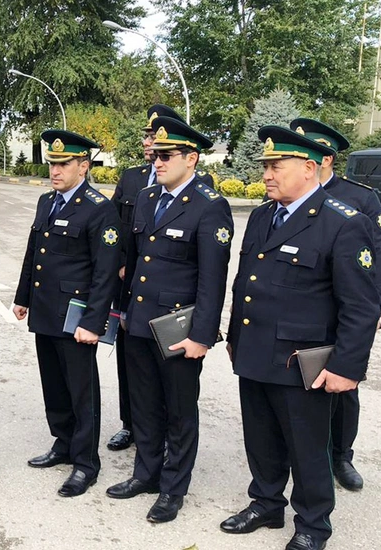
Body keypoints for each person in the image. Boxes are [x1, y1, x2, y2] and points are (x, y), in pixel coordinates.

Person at [221, 126, 380, 550]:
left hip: (301, 358)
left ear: (309, 168)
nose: (267, 174)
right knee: (260, 436)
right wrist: (236, 335)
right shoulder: (261, 215)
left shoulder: (344, 222)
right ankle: (266, 503)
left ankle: (312, 524)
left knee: (308, 447)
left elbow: (362, 305)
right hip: (255, 350)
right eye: (266, 167)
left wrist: (346, 368)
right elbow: (246, 283)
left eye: (277, 166)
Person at [106, 117, 233, 523]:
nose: (156, 161)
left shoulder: (210, 206)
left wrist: (202, 336)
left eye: (166, 155)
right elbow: (134, 261)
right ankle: (146, 473)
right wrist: (125, 314)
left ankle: (173, 488)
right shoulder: (146, 197)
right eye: (155, 154)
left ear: (191, 158)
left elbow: (213, 281)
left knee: (179, 412)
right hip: (140, 323)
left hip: (178, 330)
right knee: (144, 407)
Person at [13, 130, 122, 498]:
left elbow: (105, 272)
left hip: (76, 317)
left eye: (62, 164)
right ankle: (62, 443)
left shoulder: (99, 208)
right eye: (52, 164)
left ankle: (86, 463)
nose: (55, 171)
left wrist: (94, 323)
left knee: (81, 390)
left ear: (83, 166)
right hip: (45, 310)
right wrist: (22, 295)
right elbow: (35, 252)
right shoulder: (47, 201)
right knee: (54, 385)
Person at [287, 118, 381, 492]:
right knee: (299, 386)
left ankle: (341, 455)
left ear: (323, 159)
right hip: (301, 309)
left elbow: (376, 260)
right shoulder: (288, 193)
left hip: (344, 309)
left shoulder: (360, 198)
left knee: (343, 387)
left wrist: (372, 309)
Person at [107, 103, 172, 452]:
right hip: (128, 285)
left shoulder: (200, 184)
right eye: (147, 136)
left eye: (155, 137)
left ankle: (159, 426)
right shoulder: (132, 178)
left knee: (162, 361)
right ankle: (129, 423)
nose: (149, 144)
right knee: (127, 356)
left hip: (164, 289)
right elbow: (113, 227)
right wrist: (118, 263)